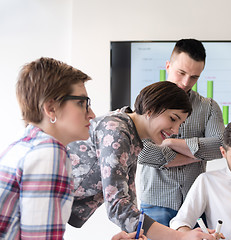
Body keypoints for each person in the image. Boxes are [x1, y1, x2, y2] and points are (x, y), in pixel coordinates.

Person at [67, 81, 216, 240]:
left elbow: (127, 198)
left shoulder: (131, 135)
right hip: (48, 203)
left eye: (180, 124)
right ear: (151, 109)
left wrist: (137, 233)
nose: (176, 130)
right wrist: (180, 237)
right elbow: (117, 205)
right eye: (173, 119)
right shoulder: (117, 131)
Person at [0, 57, 96, 239]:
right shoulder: (48, 152)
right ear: (51, 108)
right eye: (82, 103)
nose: (91, 114)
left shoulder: (22, 146)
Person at [138, 38, 225, 227]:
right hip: (155, 204)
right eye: (181, 73)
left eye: (194, 77)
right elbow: (144, 152)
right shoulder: (146, 101)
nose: (186, 82)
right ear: (168, 66)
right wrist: (198, 155)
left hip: (195, 205)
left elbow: (220, 147)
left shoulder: (208, 107)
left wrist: (169, 144)